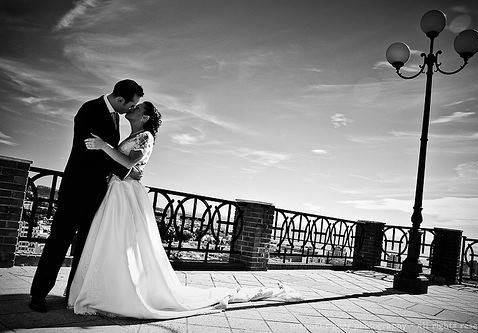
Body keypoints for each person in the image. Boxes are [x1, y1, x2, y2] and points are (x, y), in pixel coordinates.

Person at [68, 102, 302, 319]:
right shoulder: (133, 135)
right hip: (118, 190)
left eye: (137, 107)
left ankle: (120, 295)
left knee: (123, 242)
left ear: (145, 116)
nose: (132, 108)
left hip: (126, 193)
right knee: (112, 242)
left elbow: (128, 163)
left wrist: (103, 146)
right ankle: (108, 290)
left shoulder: (145, 136)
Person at [29, 79, 144, 312]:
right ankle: (38, 295)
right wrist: (125, 167)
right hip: (77, 187)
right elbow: (91, 149)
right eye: (131, 104)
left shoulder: (114, 116)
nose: (130, 109)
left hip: (97, 192)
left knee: (84, 246)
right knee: (59, 241)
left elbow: (107, 149)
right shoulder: (90, 109)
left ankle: (72, 293)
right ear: (120, 99)